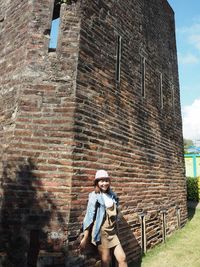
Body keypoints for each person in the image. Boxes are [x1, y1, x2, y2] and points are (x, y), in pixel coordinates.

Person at [80, 170, 128, 267]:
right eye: (101, 181)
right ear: (97, 182)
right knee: (106, 261)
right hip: (102, 233)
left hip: (112, 232)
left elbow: (116, 212)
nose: (104, 183)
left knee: (122, 258)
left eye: (106, 180)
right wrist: (85, 237)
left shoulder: (112, 195)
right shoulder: (94, 196)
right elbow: (89, 217)